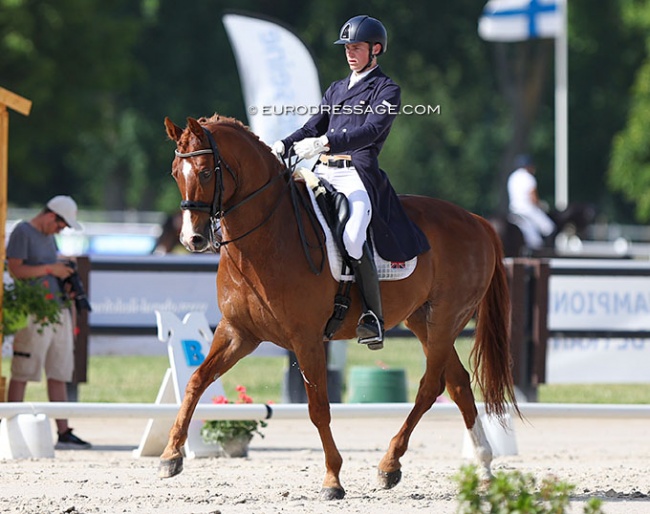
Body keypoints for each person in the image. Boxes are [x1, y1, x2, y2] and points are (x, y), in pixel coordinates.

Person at [272, 15, 429, 349]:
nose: (350, 53)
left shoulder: (387, 89)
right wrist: (282, 144)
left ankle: (372, 316)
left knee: (354, 237)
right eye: (347, 47)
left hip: (356, 174)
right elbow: (313, 126)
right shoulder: (337, 89)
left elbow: (371, 131)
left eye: (356, 47)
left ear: (375, 49)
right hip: (322, 171)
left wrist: (327, 142)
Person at [6, 195, 92, 449]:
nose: (61, 230)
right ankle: (10, 425)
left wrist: (60, 268)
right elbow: (15, 269)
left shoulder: (47, 235)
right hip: (34, 310)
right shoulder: (23, 231)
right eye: (61, 225)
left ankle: (63, 431)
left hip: (57, 310)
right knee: (23, 370)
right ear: (51, 216)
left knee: (59, 372)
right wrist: (50, 269)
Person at [507, 154, 556, 250]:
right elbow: (533, 199)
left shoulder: (512, 177)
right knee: (550, 228)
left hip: (514, 210)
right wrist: (542, 205)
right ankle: (546, 252)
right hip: (528, 210)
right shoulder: (529, 178)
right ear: (528, 166)